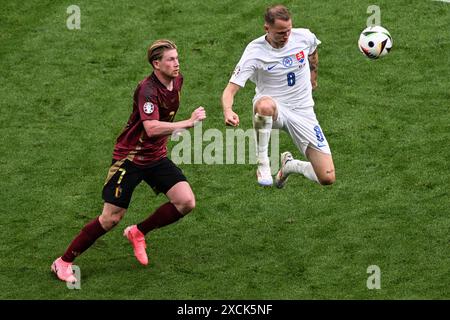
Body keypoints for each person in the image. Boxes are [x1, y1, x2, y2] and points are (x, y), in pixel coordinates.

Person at [51, 39, 206, 283]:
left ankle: (138, 232)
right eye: (171, 59)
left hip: (155, 156)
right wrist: (187, 123)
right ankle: (63, 261)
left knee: (186, 201)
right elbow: (152, 127)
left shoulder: (177, 80)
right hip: (130, 158)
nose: (177, 63)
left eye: (177, 58)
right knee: (110, 218)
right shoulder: (147, 89)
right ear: (156, 64)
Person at [221, 4, 335, 188]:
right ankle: (263, 163)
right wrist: (228, 110)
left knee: (327, 177)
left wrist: (313, 77)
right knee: (265, 105)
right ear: (267, 28)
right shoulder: (254, 51)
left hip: (303, 111)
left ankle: (290, 166)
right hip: (274, 109)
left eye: (288, 31)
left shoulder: (303, 37)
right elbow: (230, 89)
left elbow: (313, 52)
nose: (286, 36)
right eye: (281, 32)